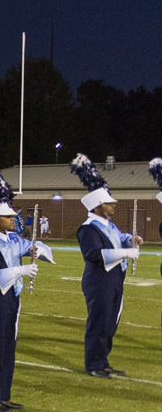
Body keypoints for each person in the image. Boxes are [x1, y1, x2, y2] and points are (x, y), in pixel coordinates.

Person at [0, 157, 54, 412]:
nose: (13, 219)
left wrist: (38, 249)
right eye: (7, 217)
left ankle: (3, 394)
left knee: (8, 347)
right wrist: (19, 269)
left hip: (11, 298)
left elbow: (30, 247)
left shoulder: (11, 239)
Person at [70, 154, 140, 378]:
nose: (114, 205)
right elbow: (94, 255)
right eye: (109, 203)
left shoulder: (108, 225)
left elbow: (120, 237)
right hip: (99, 280)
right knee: (99, 323)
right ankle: (94, 364)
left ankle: (103, 360)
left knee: (111, 322)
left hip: (115, 278)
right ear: (98, 206)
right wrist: (126, 252)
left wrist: (131, 240)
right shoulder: (88, 228)